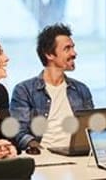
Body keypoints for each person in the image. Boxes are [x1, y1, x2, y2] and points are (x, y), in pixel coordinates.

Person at [10, 23, 94, 151]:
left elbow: (90, 130)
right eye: (67, 49)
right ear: (49, 54)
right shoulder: (24, 90)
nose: (74, 53)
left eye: (73, 47)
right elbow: (19, 133)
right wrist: (41, 151)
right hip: (44, 157)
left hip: (78, 156)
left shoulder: (82, 90)